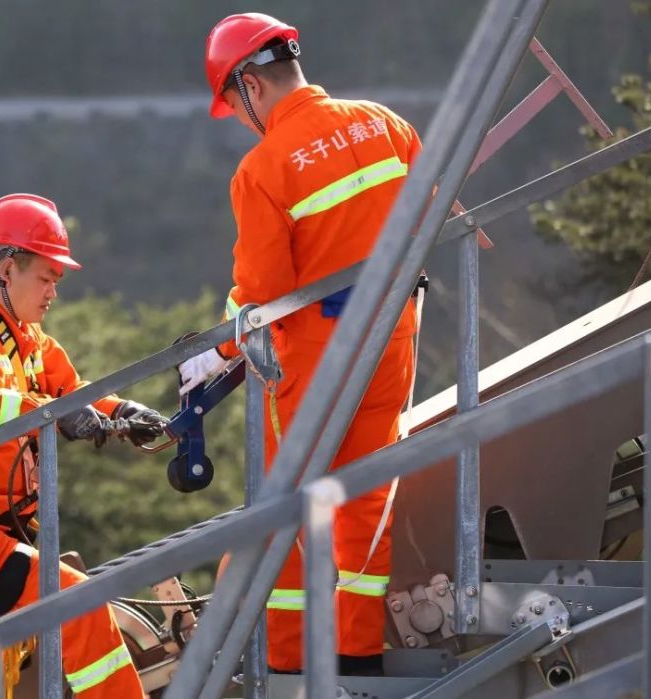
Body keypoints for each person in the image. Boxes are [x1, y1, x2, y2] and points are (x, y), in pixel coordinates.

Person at [179, 13, 422, 676]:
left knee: (286, 509)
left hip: (317, 363)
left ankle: (283, 670)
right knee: (367, 499)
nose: (240, 118)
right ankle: (357, 659)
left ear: (250, 86)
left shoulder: (263, 169)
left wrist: (215, 352)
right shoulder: (386, 124)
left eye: (234, 106)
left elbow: (262, 294)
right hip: (392, 343)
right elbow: (431, 219)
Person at [0, 193, 165, 698]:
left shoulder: (23, 337)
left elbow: (70, 391)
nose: (51, 294)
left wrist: (120, 413)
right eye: (45, 277)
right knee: (79, 609)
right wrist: (57, 415)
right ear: (5, 271)